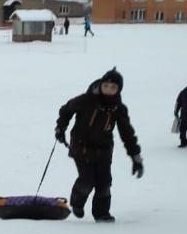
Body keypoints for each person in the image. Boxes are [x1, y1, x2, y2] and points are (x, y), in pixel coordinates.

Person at [55, 68, 143, 222]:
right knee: (87, 180)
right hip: (81, 147)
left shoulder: (118, 109)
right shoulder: (86, 100)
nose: (109, 90)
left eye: (113, 87)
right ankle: (77, 202)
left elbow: (127, 134)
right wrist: (60, 128)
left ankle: (101, 213)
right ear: (101, 85)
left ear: (118, 90)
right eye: (106, 86)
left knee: (104, 183)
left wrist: (135, 157)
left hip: (104, 151)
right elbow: (66, 110)